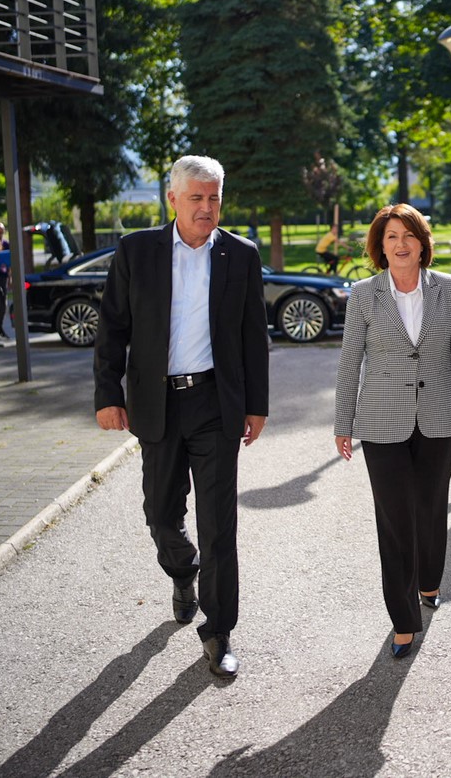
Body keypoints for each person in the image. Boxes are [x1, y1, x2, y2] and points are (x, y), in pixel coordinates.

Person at [94, 155, 270, 678]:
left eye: (214, 198)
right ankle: (181, 569)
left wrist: (257, 404)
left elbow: (253, 335)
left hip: (216, 404)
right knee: (160, 514)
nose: (207, 207)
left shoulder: (240, 254)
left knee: (219, 526)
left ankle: (219, 631)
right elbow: (112, 328)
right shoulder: (136, 251)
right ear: (172, 199)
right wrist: (108, 394)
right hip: (157, 404)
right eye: (196, 197)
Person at [334, 203, 451, 659]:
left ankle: (429, 581)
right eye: (391, 237)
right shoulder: (364, 294)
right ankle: (403, 620)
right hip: (380, 421)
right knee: (395, 519)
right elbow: (350, 362)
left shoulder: (447, 288)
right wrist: (343, 422)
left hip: (439, 416)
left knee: (430, 508)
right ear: (380, 247)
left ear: (422, 244)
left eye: (408, 236)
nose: (400, 244)